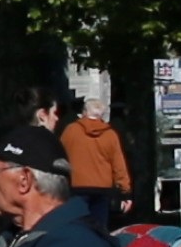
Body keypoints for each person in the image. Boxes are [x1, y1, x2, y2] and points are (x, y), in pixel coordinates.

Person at [51, 91, 132, 235]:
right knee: (99, 229)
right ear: (101, 114)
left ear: (84, 112)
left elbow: (59, 157)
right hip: (102, 189)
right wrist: (125, 192)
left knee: (77, 228)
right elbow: (119, 166)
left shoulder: (71, 131)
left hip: (77, 187)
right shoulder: (110, 134)